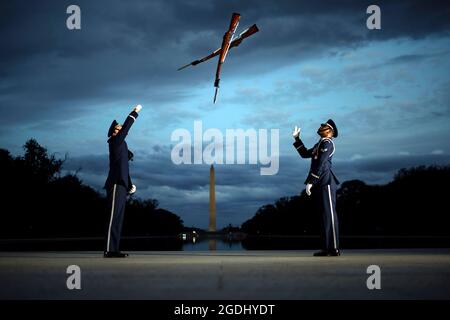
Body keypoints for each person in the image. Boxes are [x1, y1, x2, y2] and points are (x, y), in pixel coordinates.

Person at [292, 119, 340, 257]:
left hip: (326, 182)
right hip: (320, 183)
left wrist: (311, 181)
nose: (321, 127)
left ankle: (334, 248)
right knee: (324, 216)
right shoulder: (320, 143)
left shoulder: (328, 143)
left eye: (324, 126)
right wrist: (297, 139)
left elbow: (321, 164)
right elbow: (305, 154)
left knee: (330, 215)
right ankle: (326, 248)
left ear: (330, 130)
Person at [103, 104, 142, 258]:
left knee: (118, 219)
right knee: (113, 218)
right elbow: (126, 128)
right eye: (118, 129)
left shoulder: (122, 146)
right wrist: (134, 113)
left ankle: (114, 249)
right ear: (114, 133)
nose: (120, 131)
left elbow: (124, 168)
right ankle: (108, 250)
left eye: (120, 129)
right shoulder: (114, 142)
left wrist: (130, 184)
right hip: (114, 183)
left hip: (122, 185)